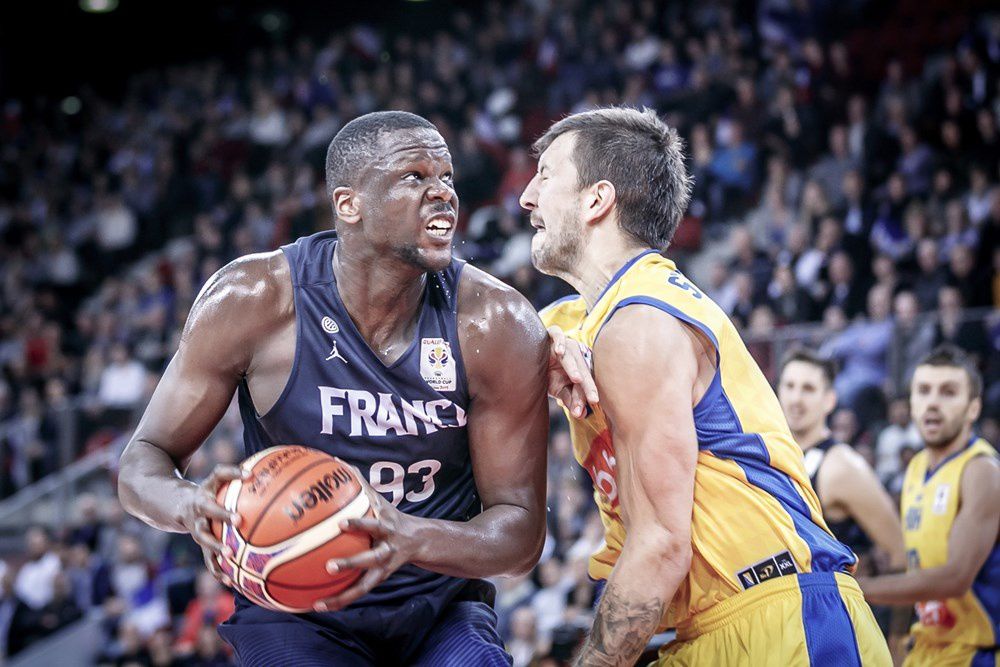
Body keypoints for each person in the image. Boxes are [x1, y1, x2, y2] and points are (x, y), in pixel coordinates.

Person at [118, 111, 555, 665]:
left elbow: (518, 538)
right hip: (295, 612)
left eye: (446, 177)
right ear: (350, 205)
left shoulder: (496, 325)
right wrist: (190, 504)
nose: (443, 193)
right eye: (414, 177)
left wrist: (407, 536)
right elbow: (142, 462)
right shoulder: (254, 299)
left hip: (438, 605)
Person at [525, 107, 890, 665]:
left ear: (597, 200)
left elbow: (661, 545)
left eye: (546, 175)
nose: (526, 197)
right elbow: (499, 326)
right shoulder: (602, 315)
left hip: (779, 618)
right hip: (708, 628)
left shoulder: (639, 322)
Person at [858, 346, 999, 667]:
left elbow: (954, 577)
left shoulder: (982, 472)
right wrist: (896, 635)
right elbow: (915, 566)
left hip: (976, 653)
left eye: (948, 392)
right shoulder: (917, 467)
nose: (933, 402)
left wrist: (860, 588)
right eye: (923, 391)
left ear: (973, 408)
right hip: (925, 649)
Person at [777, 349, 905, 568]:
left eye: (808, 389)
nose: (796, 399)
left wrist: (861, 593)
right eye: (789, 386)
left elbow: (900, 553)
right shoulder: (775, 453)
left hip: (826, 598)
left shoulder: (841, 465)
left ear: (829, 400)